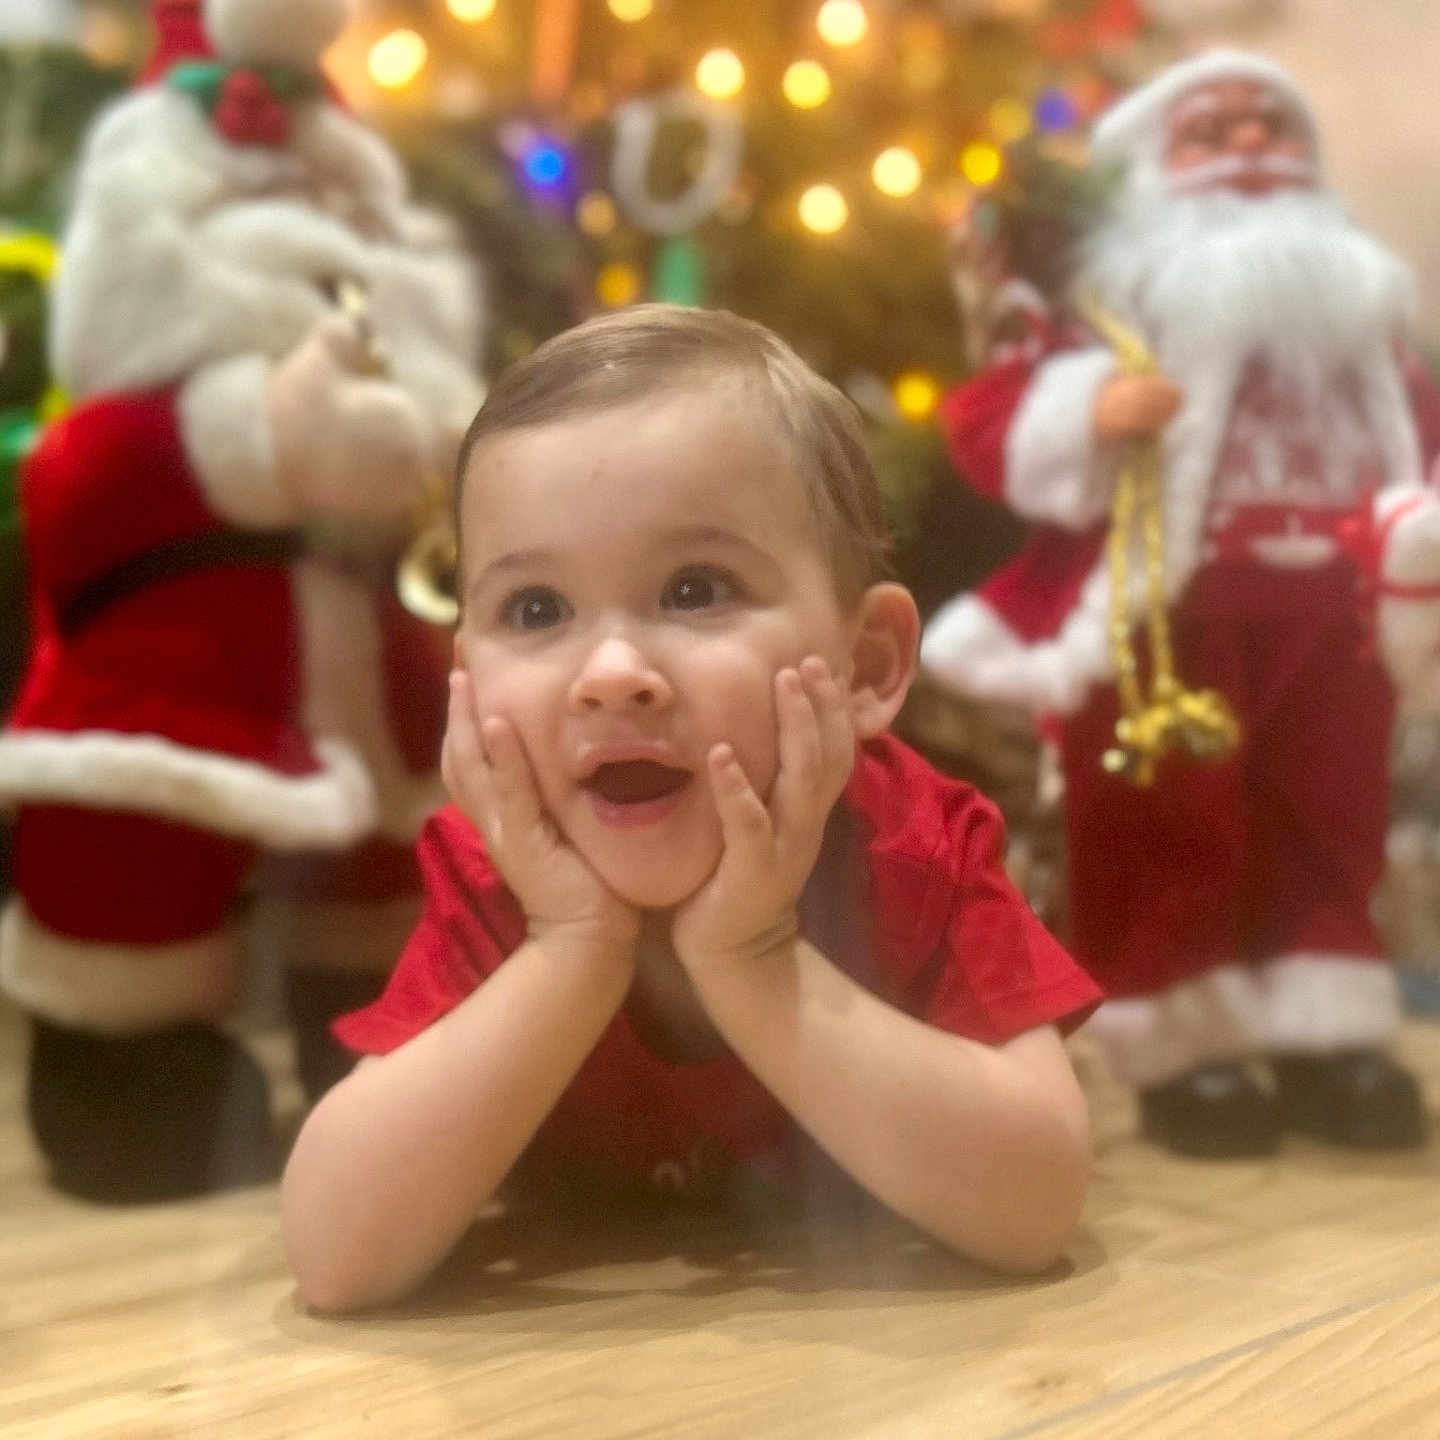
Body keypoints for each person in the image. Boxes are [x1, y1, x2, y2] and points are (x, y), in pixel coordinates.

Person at [280, 304, 1101, 1313]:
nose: (613, 675)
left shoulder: (914, 843)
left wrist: (753, 960)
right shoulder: (496, 867)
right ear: (469, 684)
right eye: (535, 610)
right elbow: (333, 1257)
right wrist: (571, 946)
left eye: (696, 589)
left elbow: (1038, 1205)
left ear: (866, 665)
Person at [0, 0, 484, 1202]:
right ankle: (127, 1076)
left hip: (372, 673)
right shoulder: (115, 418)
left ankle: (377, 1056)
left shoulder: (395, 341)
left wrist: (422, 444)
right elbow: (74, 495)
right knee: (128, 866)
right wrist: (264, 434)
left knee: (389, 875)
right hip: (174, 682)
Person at [921, 50, 1440, 1158]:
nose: (1252, 144)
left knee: (1330, 818)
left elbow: (1422, 440)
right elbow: (986, 417)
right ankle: (1186, 1047)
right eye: (1213, 132)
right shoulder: (1112, 305)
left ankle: (1326, 1028)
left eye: (1271, 124)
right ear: (1153, 169)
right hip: (1165, 616)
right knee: (1166, 824)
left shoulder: (1367, 320)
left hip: (1338, 618)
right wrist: (1091, 407)